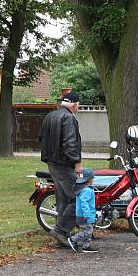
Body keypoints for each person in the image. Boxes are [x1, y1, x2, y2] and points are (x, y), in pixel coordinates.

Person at [39, 92, 83, 247]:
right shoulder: (69, 118)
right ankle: (61, 230)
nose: (78, 108)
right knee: (78, 197)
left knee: (63, 198)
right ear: (74, 104)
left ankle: (62, 237)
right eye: (78, 105)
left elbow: (41, 138)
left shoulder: (50, 116)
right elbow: (70, 143)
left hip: (52, 163)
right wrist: (77, 162)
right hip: (65, 164)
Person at [68, 168, 98, 253]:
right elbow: (84, 203)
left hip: (83, 215)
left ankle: (86, 246)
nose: (93, 180)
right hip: (84, 216)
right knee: (87, 232)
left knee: (88, 230)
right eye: (92, 179)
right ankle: (73, 239)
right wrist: (87, 214)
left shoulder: (81, 188)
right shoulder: (87, 190)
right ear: (88, 180)